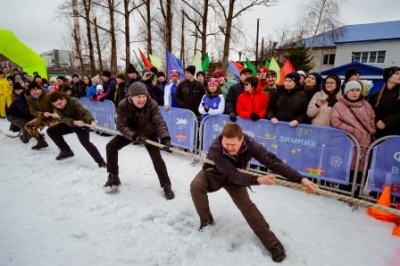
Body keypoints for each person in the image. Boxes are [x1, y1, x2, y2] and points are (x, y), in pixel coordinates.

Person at [190, 123, 319, 263]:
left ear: (242, 140)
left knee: (247, 206)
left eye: (233, 145)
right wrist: (258, 180)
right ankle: (206, 221)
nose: (229, 147)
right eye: (226, 144)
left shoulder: (251, 144)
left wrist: (301, 179)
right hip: (214, 174)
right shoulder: (216, 147)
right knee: (196, 186)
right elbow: (230, 174)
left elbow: (272, 162)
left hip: (237, 178)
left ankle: (272, 243)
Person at [104, 82, 175, 200]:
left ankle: (166, 185)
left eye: (144, 96)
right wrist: (135, 136)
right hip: (131, 132)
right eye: (138, 96)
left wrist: (165, 138)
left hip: (149, 132)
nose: (142, 99)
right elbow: (121, 125)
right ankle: (113, 176)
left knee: (157, 158)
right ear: (131, 96)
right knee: (111, 147)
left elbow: (159, 122)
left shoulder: (152, 104)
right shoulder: (123, 105)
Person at [331, 80, 376, 192]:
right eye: (352, 90)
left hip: (365, 142)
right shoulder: (339, 105)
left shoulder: (366, 105)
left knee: (362, 167)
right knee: (348, 166)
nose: (355, 93)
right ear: (346, 92)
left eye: (357, 90)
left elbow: (372, 118)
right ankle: (344, 191)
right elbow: (335, 121)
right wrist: (353, 130)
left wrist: (371, 129)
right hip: (349, 142)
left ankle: (358, 192)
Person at [46, 92, 107, 166]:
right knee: (51, 131)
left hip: (82, 124)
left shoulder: (73, 101)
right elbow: (63, 118)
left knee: (85, 142)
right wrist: (74, 122)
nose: (59, 106)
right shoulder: (56, 107)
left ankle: (101, 162)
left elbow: (84, 112)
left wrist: (91, 121)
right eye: (56, 105)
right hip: (71, 123)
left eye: (60, 103)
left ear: (64, 99)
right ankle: (66, 151)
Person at [25, 81, 59, 150]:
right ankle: (41, 142)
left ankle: (62, 146)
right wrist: (42, 114)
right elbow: (33, 111)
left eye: (36, 89)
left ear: (40, 89)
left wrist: (55, 113)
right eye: (31, 90)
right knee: (28, 126)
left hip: (53, 118)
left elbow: (56, 107)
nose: (34, 91)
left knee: (54, 129)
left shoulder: (48, 96)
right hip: (42, 118)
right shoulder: (29, 99)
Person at [368, 66, 400, 138]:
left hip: (396, 135)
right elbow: (369, 112)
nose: (399, 76)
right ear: (388, 76)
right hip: (377, 134)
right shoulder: (375, 96)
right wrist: (376, 122)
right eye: (397, 74)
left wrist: (386, 122)